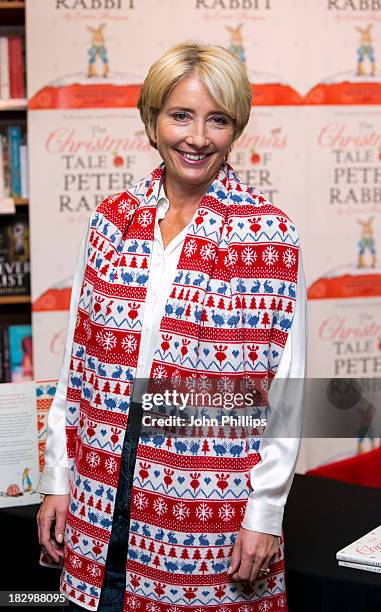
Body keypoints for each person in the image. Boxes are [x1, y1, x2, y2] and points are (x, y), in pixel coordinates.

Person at [36, 41, 306, 611]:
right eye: (180, 115)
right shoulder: (110, 221)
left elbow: (284, 391)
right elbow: (76, 365)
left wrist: (265, 511)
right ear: (152, 118)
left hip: (211, 483)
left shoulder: (270, 236)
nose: (198, 137)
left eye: (218, 120)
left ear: (236, 129)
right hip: (104, 462)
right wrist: (58, 474)